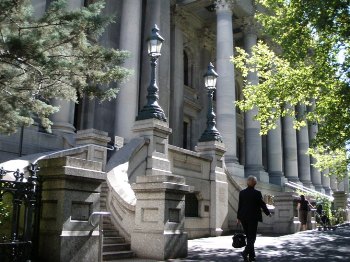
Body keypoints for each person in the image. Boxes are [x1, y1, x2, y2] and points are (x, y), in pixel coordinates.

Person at [237, 176, 271, 262]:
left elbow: (240, 206)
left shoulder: (242, 193)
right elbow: (262, 204)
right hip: (253, 218)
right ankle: (245, 252)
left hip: (243, 217)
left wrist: (238, 217)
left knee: (249, 237)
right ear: (255, 183)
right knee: (252, 238)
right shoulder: (257, 193)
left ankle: (252, 256)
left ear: (247, 183)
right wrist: (268, 213)